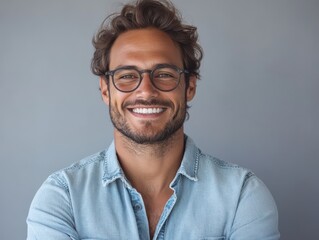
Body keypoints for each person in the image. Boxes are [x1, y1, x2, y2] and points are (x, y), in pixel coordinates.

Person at [26, 0, 280, 239]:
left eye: (165, 74)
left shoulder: (242, 195)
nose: (146, 91)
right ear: (105, 90)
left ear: (189, 86)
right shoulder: (63, 196)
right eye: (126, 75)